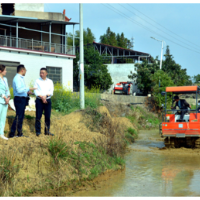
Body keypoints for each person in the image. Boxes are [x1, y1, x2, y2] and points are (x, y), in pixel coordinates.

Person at [9, 65, 36, 138]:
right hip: (19, 99)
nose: (26, 71)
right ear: (22, 70)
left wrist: (28, 92)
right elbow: (19, 90)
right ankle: (12, 134)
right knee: (18, 117)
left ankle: (19, 133)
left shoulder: (20, 78)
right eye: (25, 70)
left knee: (20, 117)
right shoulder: (17, 78)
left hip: (22, 99)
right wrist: (28, 88)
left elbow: (22, 90)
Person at [34, 68, 54, 137]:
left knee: (47, 116)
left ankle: (47, 131)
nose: (41, 74)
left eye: (42, 73)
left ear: (46, 73)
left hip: (47, 100)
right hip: (39, 100)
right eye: (40, 73)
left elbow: (51, 92)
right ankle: (38, 131)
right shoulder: (37, 81)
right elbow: (35, 91)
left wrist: (45, 96)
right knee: (38, 116)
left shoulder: (50, 81)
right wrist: (42, 97)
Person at [0, 65, 10, 140]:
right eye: (5, 70)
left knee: (3, 118)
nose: (6, 71)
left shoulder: (5, 79)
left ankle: (1, 133)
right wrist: (4, 96)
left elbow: (7, 89)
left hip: (5, 102)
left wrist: (8, 97)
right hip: (0, 100)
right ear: (0, 71)